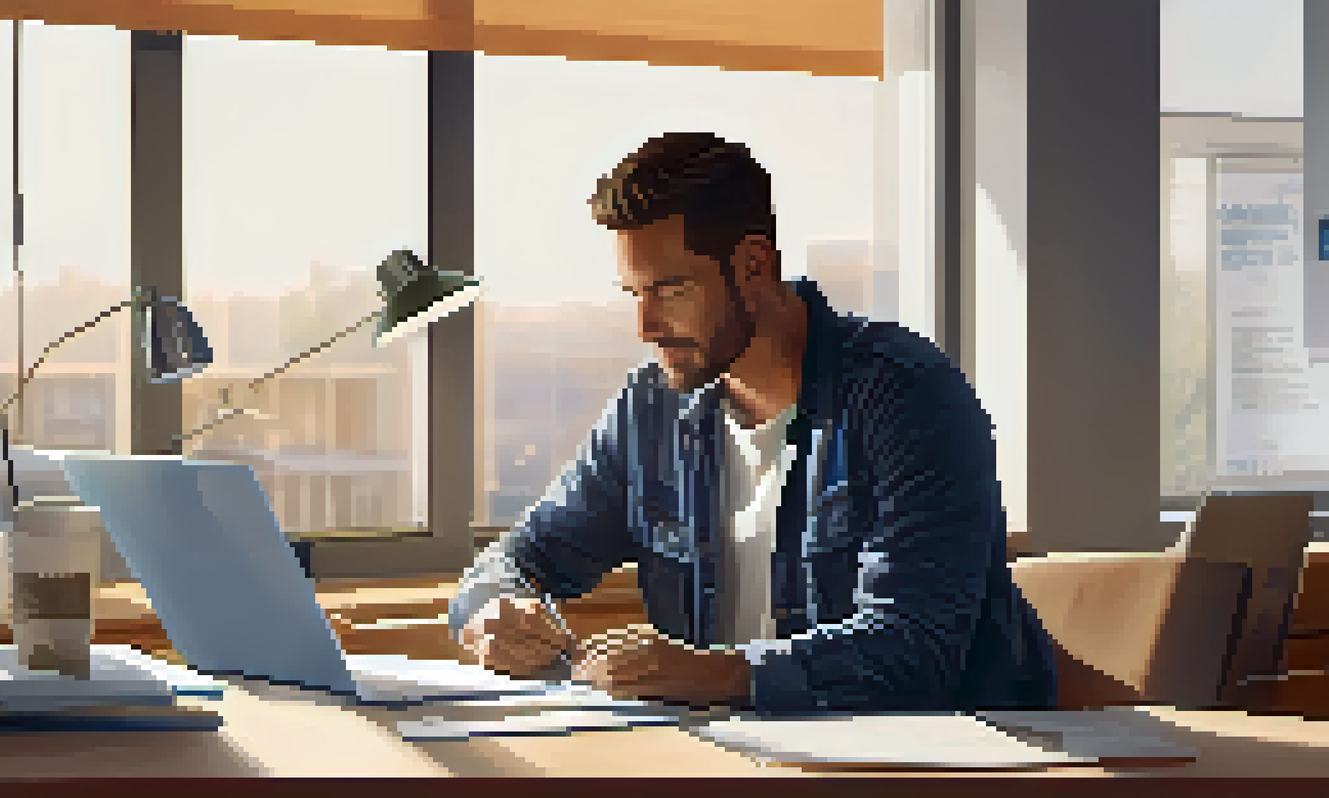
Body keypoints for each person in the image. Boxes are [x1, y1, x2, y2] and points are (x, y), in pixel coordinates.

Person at [447, 132, 1058, 713]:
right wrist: (491, 611)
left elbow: (914, 651)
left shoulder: (908, 397)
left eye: (671, 290)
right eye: (634, 293)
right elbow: (515, 564)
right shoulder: (649, 412)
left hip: (933, 765)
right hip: (729, 757)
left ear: (753, 265)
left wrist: (714, 674)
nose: (646, 326)